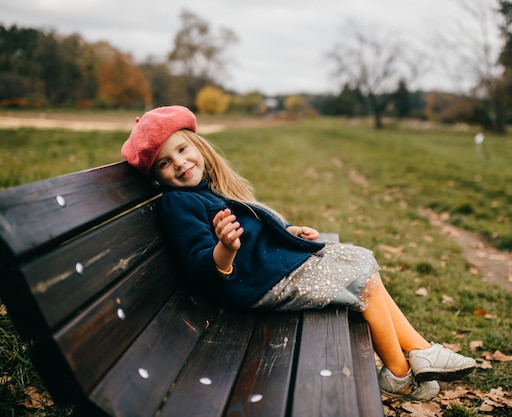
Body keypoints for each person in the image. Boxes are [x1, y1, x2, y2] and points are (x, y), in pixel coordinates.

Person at [121, 105, 477, 401]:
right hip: (253, 284)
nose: (180, 164)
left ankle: (416, 354)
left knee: (359, 264)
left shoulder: (207, 188)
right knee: (361, 281)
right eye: (165, 163)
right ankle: (402, 371)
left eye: (182, 150)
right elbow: (201, 265)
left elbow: (256, 225)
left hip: (267, 269)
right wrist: (224, 250)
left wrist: (288, 231)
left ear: (198, 146)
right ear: (158, 177)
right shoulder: (178, 202)